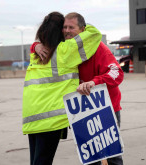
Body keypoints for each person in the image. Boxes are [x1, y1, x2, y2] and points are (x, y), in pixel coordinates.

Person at [34, 12, 124, 165]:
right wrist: (36, 45)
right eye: (64, 27)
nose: (67, 31)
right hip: (82, 110)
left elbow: (117, 73)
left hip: (105, 107)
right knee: (90, 158)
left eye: (71, 27)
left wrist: (94, 82)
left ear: (82, 29)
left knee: (112, 155)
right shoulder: (64, 46)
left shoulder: (98, 48)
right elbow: (46, 44)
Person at [22, 12, 102, 165]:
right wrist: (76, 26)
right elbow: (94, 33)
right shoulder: (65, 51)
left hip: (32, 117)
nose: (66, 30)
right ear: (58, 31)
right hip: (50, 119)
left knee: (36, 161)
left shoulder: (36, 54)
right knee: (43, 161)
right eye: (63, 28)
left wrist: (36, 44)